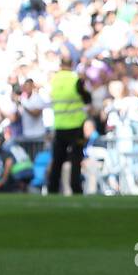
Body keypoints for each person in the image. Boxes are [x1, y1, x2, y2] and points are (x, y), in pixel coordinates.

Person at [48, 57, 91, 195]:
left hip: (60, 125)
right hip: (75, 125)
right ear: (71, 64)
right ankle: (76, 188)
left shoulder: (54, 80)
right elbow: (86, 98)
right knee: (75, 160)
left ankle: (52, 188)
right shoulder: (75, 79)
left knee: (57, 160)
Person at [0, 128, 35, 193]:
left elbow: (9, 162)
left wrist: (3, 180)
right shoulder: (16, 144)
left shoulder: (5, 147)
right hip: (30, 169)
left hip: (18, 171)